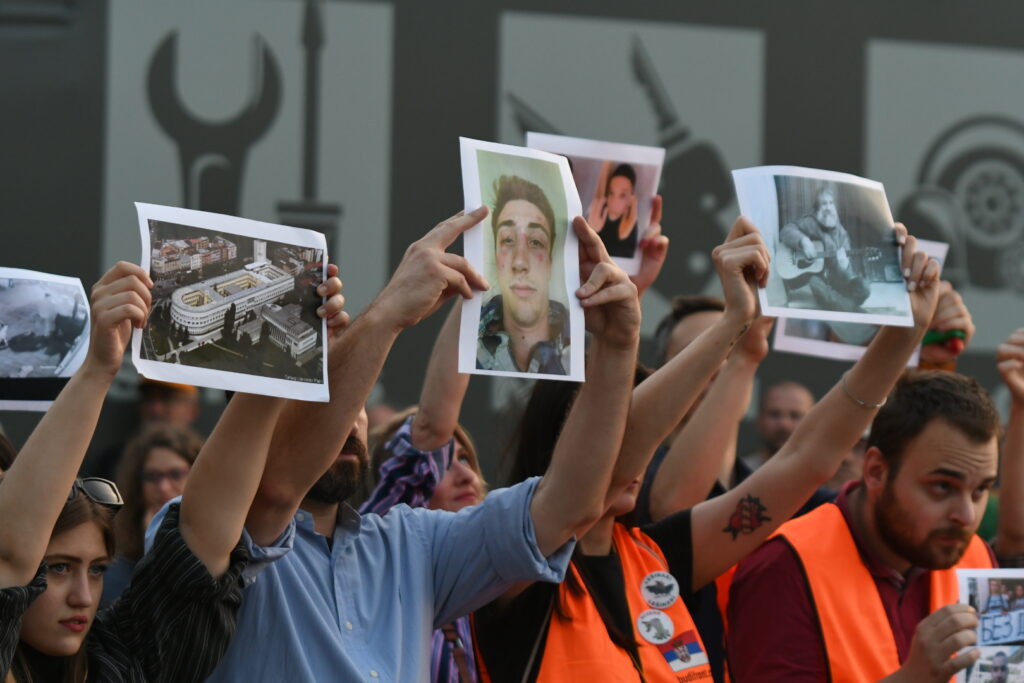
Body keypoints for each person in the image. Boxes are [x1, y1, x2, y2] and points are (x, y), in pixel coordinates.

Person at [473, 220, 944, 683]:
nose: (641, 449)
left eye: (648, 431)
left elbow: (806, 459)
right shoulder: (516, 566)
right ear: (561, 442)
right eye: (624, 431)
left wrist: (902, 337)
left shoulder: (658, 557)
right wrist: (732, 324)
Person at [189, 206, 642, 681]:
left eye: (352, 399)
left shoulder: (411, 546)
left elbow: (569, 506)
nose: (346, 422)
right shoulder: (207, 529)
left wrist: (617, 348)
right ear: (245, 426)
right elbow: (277, 488)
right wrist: (387, 313)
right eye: (316, 397)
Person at [0, 260, 345, 682]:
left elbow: (202, 547)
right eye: (56, 568)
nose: (83, 597)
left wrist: (279, 367)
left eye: (96, 569)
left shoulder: (125, 658)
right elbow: (11, 555)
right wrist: (95, 371)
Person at [726, 368, 1004, 682]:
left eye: (980, 490)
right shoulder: (784, 565)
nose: (966, 516)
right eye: (942, 486)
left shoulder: (973, 554)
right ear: (875, 472)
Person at [102, 423, 203, 606]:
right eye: (152, 476)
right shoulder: (116, 565)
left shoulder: (221, 545)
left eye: (175, 474)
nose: (163, 487)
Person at [477, 175, 569, 375]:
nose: (520, 262)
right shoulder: (468, 341)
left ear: (550, 263)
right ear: (495, 256)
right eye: (508, 240)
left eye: (536, 242)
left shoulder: (587, 351)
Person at [779, 187, 871, 312]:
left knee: (864, 288)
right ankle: (846, 306)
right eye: (824, 203)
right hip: (812, 278)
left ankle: (843, 304)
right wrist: (803, 241)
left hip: (834, 280)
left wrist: (844, 266)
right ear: (817, 208)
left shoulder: (842, 233)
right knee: (816, 283)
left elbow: (845, 276)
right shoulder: (810, 223)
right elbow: (786, 231)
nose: (828, 207)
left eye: (831, 203)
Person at [740, 381, 815, 471]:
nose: (784, 424)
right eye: (774, 414)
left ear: (813, 423)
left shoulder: (827, 476)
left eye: (795, 415)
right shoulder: (735, 476)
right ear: (760, 420)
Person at [588, 162, 639, 258]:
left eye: (622, 195)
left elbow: (624, 235)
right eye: (611, 193)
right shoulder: (598, 214)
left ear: (631, 198)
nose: (614, 200)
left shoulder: (629, 226)